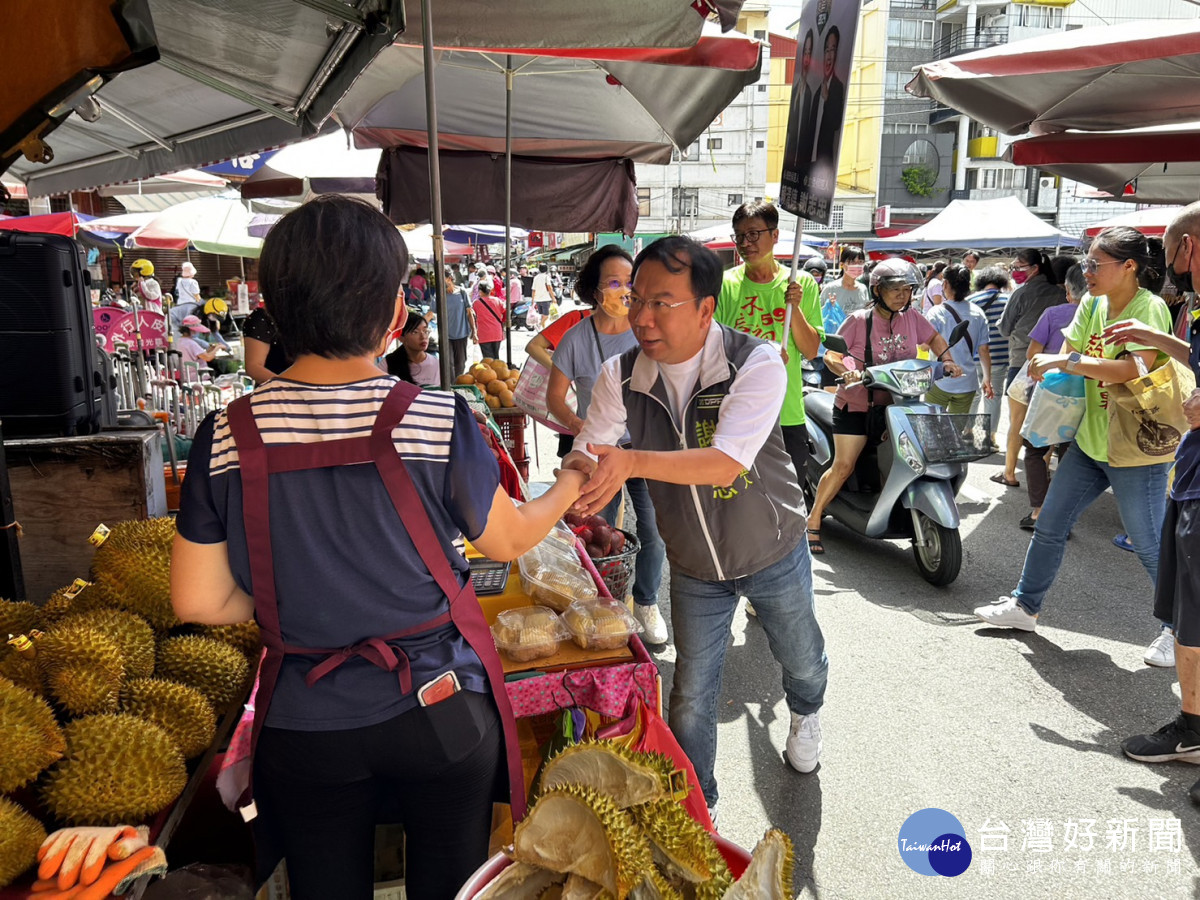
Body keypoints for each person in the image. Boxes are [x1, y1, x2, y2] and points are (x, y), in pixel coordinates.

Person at [171, 195, 588, 900]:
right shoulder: (434, 416)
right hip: (440, 709)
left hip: (304, 722)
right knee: (451, 887)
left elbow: (198, 599)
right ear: (396, 317)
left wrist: (301, 595)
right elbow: (509, 536)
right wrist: (570, 482)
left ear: (274, 308)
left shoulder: (227, 435)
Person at [563, 236, 829, 817]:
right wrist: (567, 492)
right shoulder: (620, 374)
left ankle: (807, 711)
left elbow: (726, 461)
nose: (641, 317)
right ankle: (698, 808)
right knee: (688, 695)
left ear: (706, 309)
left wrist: (630, 462)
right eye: (635, 300)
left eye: (662, 302)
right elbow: (589, 448)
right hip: (693, 565)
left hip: (770, 550)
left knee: (801, 657)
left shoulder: (755, 362)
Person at [974, 227, 1176, 670]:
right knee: (1049, 523)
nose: (1086, 271)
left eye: (1095, 264)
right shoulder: (1092, 303)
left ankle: (1178, 628)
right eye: (1086, 263)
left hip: (1136, 449)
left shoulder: (1151, 308)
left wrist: (1067, 362)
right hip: (1089, 440)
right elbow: (1070, 348)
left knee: (1149, 545)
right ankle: (1025, 607)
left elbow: (1130, 370)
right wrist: (1057, 369)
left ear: (1129, 266)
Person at [1116, 202, 1200, 798]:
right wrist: (1163, 341)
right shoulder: (1192, 311)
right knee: (1188, 614)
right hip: (1191, 476)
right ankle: (1192, 729)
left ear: (1187, 250)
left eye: (1168, 253)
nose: (1169, 268)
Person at [546, 246, 669, 645]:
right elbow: (554, 397)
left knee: (653, 529)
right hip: (596, 455)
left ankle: (647, 601)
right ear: (595, 291)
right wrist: (582, 427)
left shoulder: (647, 330)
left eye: (629, 283)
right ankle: (601, 604)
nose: (624, 291)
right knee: (595, 531)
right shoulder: (575, 339)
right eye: (614, 283)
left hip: (644, 451)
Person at [806, 259, 963, 554]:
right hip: (856, 406)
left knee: (903, 460)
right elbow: (830, 355)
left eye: (907, 289)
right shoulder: (859, 320)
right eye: (894, 289)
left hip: (898, 406)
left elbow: (934, 337)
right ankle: (813, 519)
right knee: (844, 465)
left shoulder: (913, 317)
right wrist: (846, 372)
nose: (902, 295)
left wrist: (948, 361)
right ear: (877, 290)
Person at [714, 200, 823, 478]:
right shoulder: (725, 285)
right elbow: (715, 350)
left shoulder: (802, 283)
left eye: (753, 234)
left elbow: (811, 351)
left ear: (774, 235)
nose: (745, 242)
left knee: (789, 498)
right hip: (738, 412)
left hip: (786, 412)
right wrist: (764, 357)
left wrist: (794, 308)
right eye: (739, 236)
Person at [1015, 263, 1085, 531]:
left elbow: (1032, 355)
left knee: (1034, 450)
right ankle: (1061, 514)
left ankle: (1039, 510)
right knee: (1070, 456)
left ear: (1068, 290)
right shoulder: (1103, 317)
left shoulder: (1053, 314)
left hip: (1049, 391)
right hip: (1085, 394)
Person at [993, 249, 1066, 487]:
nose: (1015, 271)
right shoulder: (1060, 295)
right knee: (1048, 423)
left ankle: (1010, 473)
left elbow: (1004, 329)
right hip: (1056, 366)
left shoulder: (1021, 294)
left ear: (1035, 268)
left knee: (1017, 421)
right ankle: (1041, 473)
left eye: (1019, 266)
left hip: (1022, 362)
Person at [924, 263, 993, 414]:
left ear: (945, 283)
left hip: (940, 380)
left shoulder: (936, 313)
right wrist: (987, 379)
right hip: (967, 382)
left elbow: (924, 345)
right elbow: (984, 350)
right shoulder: (978, 312)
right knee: (956, 431)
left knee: (932, 428)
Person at [968, 265, 1011, 451]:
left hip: (973, 355)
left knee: (973, 395)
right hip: (999, 358)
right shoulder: (1009, 300)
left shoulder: (971, 300)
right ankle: (988, 437)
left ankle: (967, 431)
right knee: (993, 396)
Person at [810, 26, 845, 168]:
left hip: (824, 165)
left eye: (833, 50)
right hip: (808, 162)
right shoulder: (817, 90)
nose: (829, 55)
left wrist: (827, 100)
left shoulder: (837, 87)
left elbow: (836, 124)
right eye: (827, 50)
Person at [783, 28, 815, 170]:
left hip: (803, 163)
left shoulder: (812, 91)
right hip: (791, 158)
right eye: (805, 53)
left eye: (810, 53)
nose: (807, 58)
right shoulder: (796, 89)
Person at [385, 307, 440, 386]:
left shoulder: (437, 364)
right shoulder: (388, 364)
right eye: (415, 332)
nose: (423, 336)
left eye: (425, 331)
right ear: (401, 338)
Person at [243, 305, 292, 385]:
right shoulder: (262, 318)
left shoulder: (305, 317)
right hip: (277, 391)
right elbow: (253, 367)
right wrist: (290, 387)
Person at [442, 267, 476, 379]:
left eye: (443, 279)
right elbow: (430, 314)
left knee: (460, 363)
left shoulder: (462, 293)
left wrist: (474, 332)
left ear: (450, 279)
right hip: (445, 336)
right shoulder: (440, 295)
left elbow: (469, 313)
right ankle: (451, 386)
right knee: (449, 363)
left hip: (461, 334)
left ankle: (458, 383)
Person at [821, 246, 869, 315]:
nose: (857, 265)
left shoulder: (863, 289)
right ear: (842, 264)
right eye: (852, 262)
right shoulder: (830, 288)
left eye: (860, 262)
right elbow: (819, 313)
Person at [176, 316, 220, 381]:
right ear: (191, 330)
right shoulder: (191, 343)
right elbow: (208, 358)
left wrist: (211, 349)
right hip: (197, 377)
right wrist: (218, 347)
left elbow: (199, 355)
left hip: (185, 376)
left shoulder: (179, 341)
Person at [472, 278, 505, 360]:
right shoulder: (497, 301)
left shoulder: (476, 303)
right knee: (496, 356)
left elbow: (472, 316)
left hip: (484, 334)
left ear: (480, 291)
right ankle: (498, 372)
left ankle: (493, 372)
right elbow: (505, 312)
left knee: (488, 359)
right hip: (497, 332)